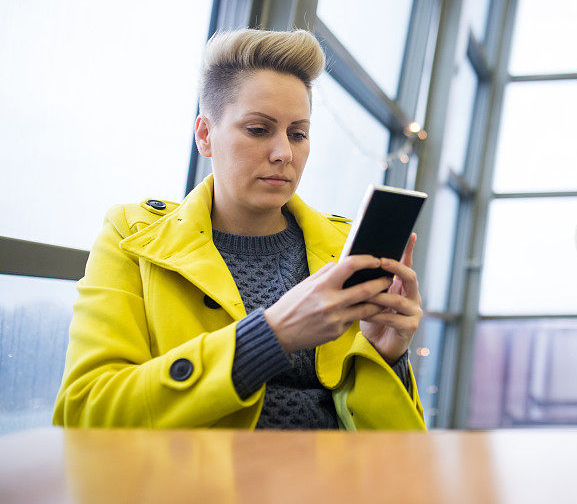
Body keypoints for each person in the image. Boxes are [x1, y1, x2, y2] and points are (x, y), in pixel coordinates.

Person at [52, 28, 426, 430]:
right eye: (259, 130)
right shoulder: (131, 236)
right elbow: (85, 412)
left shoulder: (343, 249)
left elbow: (395, 445)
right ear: (205, 135)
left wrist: (385, 357)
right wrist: (271, 336)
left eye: (298, 134)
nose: (284, 153)